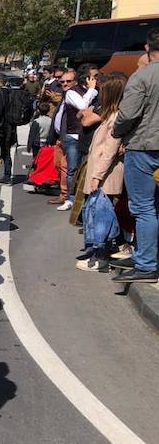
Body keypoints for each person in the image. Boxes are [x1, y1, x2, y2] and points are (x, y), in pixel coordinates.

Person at [111, 28, 159, 283]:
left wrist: (118, 133)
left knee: (143, 208)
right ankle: (148, 255)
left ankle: (147, 264)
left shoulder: (142, 77)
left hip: (144, 148)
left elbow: (127, 115)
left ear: (147, 48)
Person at [77, 74, 127, 272]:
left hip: (107, 175)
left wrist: (97, 176)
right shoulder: (110, 115)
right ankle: (97, 253)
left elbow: (109, 150)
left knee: (103, 218)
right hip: (101, 173)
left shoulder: (115, 118)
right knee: (98, 215)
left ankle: (101, 258)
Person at [54, 69, 97, 211]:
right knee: (73, 168)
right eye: (62, 82)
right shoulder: (71, 93)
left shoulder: (94, 91)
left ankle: (85, 199)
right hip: (74, 136)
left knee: (88, 169)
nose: (65, 84)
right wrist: (91, 91)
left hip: (89, 135)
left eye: (68, 81)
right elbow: (83, 106)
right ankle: (71, 199)